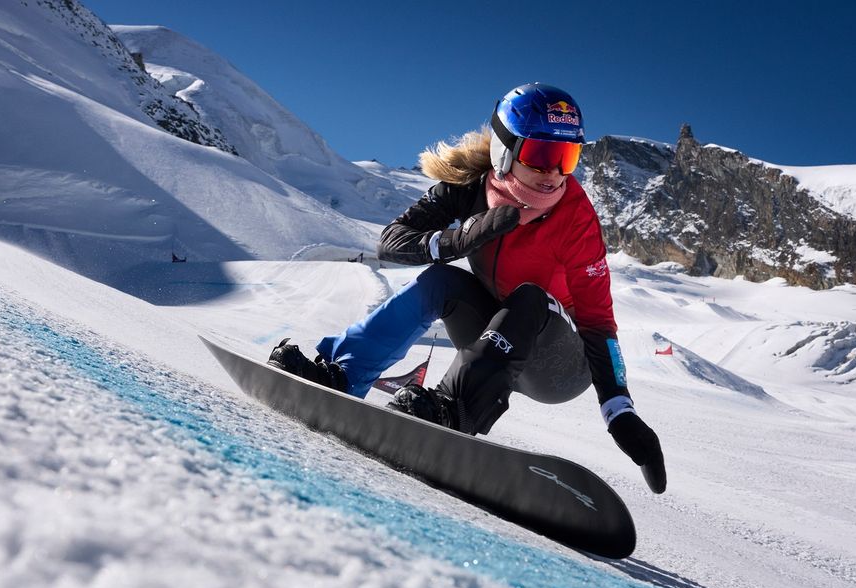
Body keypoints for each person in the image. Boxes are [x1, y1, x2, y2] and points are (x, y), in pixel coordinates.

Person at [268, 83, 666, 493]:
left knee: (530, 295)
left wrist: (619, 410)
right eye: (541, 156)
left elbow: (599, 320)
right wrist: (457, 240)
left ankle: (452, 410)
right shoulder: (471, 187)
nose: (553, 174)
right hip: (493, 333)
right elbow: (392, 241)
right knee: (441, 280)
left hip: (559, 365)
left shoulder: (575, 217)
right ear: (505, 151)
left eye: (567, 158)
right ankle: (344, 375)